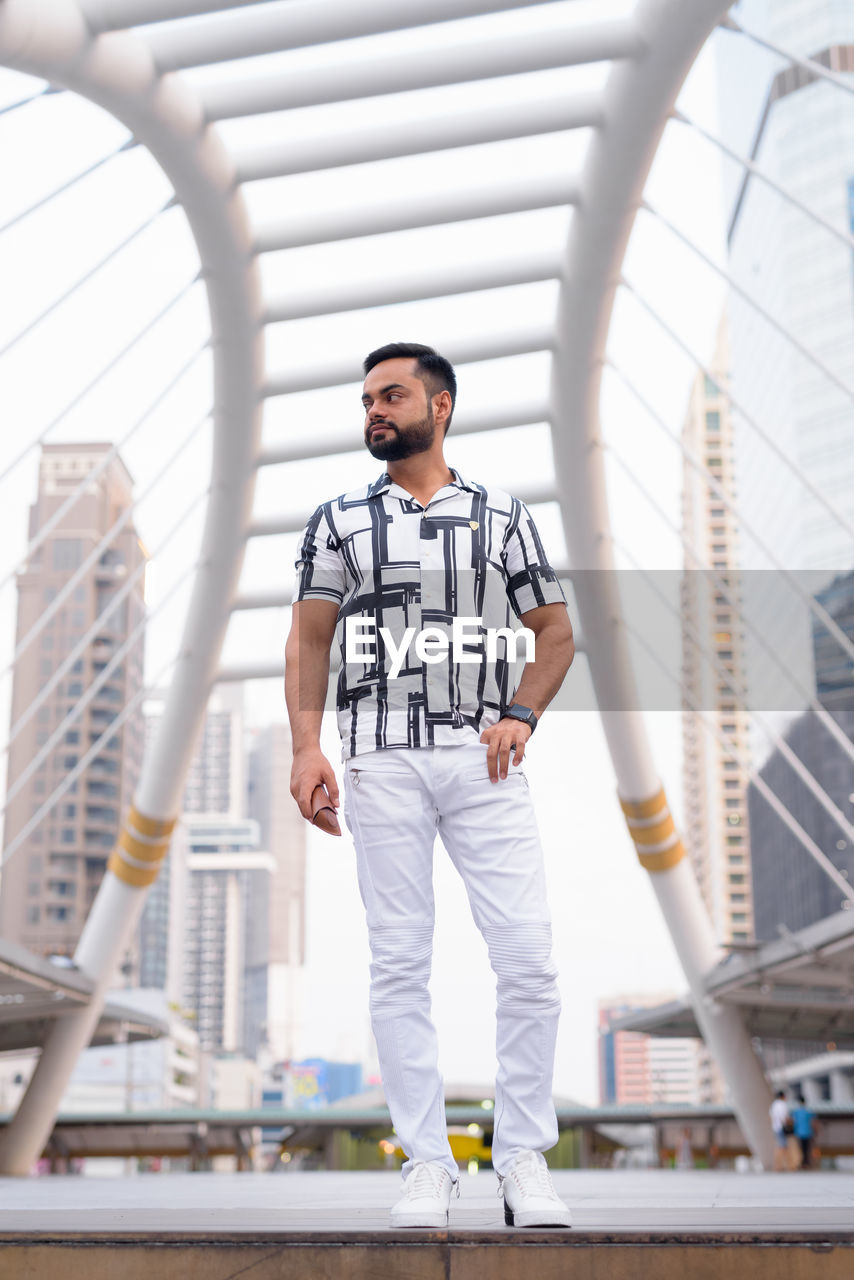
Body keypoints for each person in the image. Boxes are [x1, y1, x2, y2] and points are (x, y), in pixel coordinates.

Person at [285, 342, 575, 1229]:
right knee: (399, 964)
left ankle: (523, 1158)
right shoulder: (337, 520)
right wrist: (308, 748)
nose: (374, 409)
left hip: (483, 760)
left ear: (439, 407)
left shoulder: (501, 517)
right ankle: (427, 1165)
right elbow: (308, 643)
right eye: (367, 398)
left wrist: (520, 714)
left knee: (527, 960)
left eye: (392, 394)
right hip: (380, 760)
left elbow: (554, 633)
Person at [791, 1094, 817, 1170]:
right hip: (808, 1132)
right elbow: (813, 1122)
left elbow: (793, 1122)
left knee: (800, 1149)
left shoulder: (796, 1112)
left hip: (798, 1133)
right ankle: (806, 1163)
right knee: (807, 1149)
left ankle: (800, 1163)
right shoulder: (808, 1111)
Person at [769, 1089, 792, 1172]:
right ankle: (783, 1165)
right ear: (783, 1096)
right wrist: (790, 1123)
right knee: (783, 1147)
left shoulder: (773, 1105)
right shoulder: (783, 1105)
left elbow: (771, 1117)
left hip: (775, 1127)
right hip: (782, 1128)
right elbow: (785, 1118)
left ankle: (779, 1165)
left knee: (780, 1146)